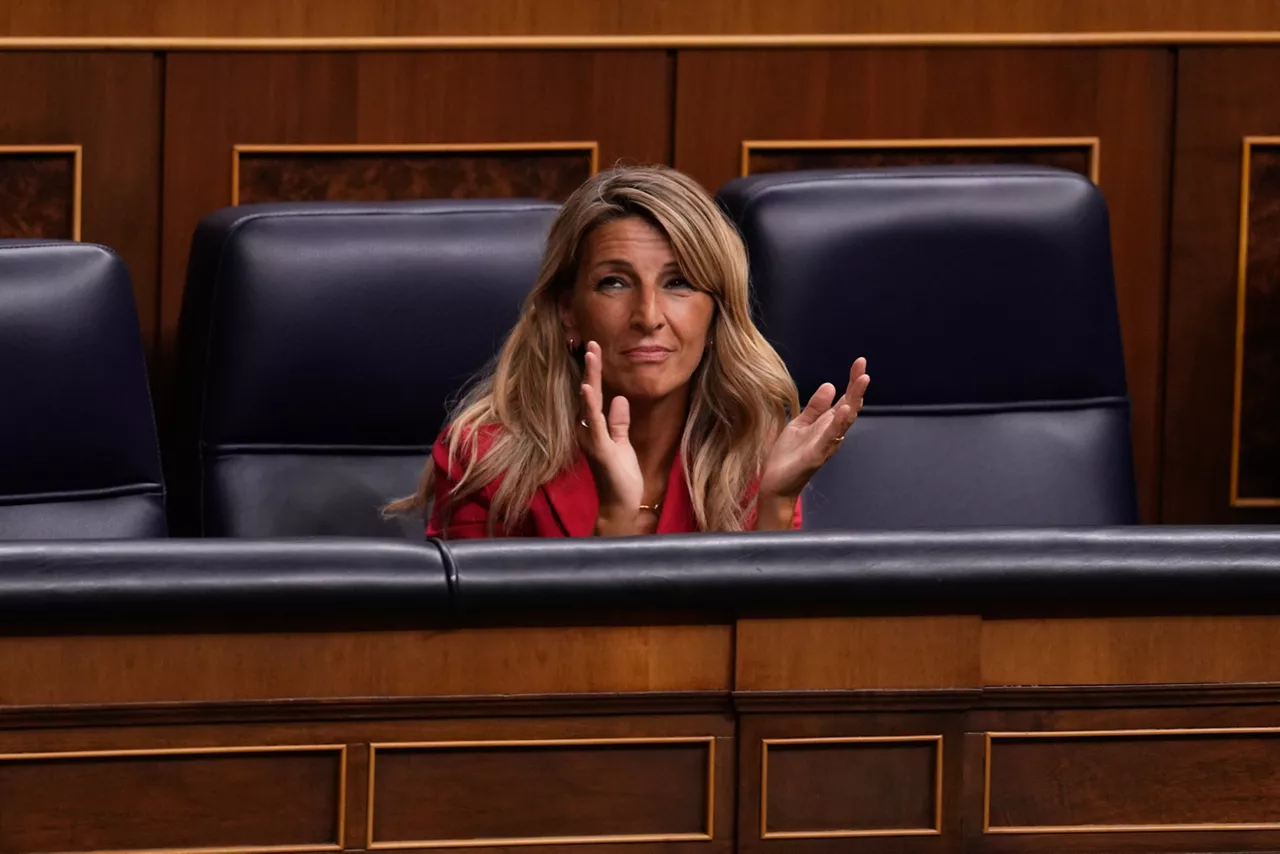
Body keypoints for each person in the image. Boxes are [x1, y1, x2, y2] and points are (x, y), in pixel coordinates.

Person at [388, 165, 869, 538]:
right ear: (568, 313)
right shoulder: (483, 460)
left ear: (716, 314)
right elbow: (492, 659)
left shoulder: (747, 451)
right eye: (614, 283)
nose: (648, 315)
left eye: (679, 283)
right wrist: (614, 523)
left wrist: (776, 505)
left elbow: (764, 654)